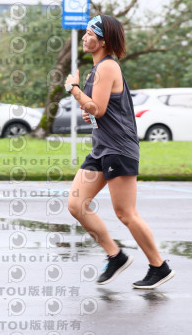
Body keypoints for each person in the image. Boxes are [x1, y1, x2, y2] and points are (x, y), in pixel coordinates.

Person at [64, 14, 175, 289]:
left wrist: (74, 90)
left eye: (90, 34)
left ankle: (159, 267)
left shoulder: (107, 67)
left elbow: (98, 108)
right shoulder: (97, 69)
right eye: (85, 32)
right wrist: (88, 108)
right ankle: (116, 256)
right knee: (76, 204)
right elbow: (98, 110)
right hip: (101, 148)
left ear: (103, 41)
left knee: (126, 213)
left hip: (119, 148)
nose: (84, 37)